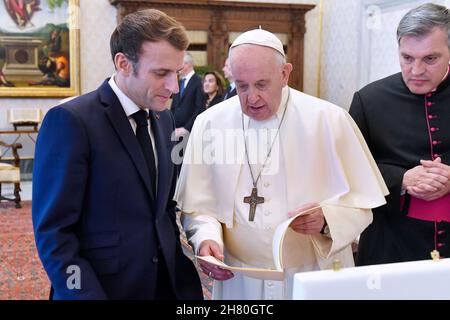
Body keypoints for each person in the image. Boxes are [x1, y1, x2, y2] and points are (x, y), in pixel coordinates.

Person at [174, 28, 388, 300]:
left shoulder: (329, 120)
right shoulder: (209, 124)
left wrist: (327, 221)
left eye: (262, 84)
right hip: (240, 278)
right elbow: (198, 206)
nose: (251, 98)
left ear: (285, 74)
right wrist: (206, 238)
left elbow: (363, 204)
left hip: (314, 274)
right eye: (242, 86)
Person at [32, 9, 203, 300]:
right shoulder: (71, 121)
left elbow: (162, 208)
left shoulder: (164, 120)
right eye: (161, 73)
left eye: (176, 73)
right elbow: (55, 235)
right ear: (124, 63)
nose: (174, 87)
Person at [349, 3, 450, 266]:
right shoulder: (368, 100)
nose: (416, 71)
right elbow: (347, 173)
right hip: (390, 247)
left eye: (430, 59)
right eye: (407, 58)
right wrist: (401, 180)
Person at [170, 52, 204, 138]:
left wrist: (186, 128)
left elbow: (199, 108)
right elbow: (174, 106)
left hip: (190, 131)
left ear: (187, 64)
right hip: (175, 130)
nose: (177, 68)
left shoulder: (199, 82)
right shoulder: (179, 82)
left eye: (179, 64)